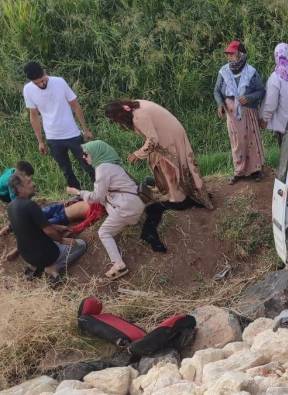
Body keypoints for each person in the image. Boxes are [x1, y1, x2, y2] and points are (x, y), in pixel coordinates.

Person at [104, 100, 213, 252]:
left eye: (116, 120)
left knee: (169, 168)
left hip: (167, 137)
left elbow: (153, 139)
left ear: (121, 113)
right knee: (166, 166)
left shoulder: (138, 116)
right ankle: (177, 193)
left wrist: (138, 154)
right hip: (168, 133)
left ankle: (177, 199)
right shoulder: (135, 106)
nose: (117, 123)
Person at [66, 140, 144, 280]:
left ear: (96, 153)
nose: (84, 157)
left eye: (86, 154)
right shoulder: (114, 166)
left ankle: (119, 264)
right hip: (135, 206)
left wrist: (78, 193)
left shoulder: (102, 169)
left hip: (125, 208)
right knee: (107, 208)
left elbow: (96, 196)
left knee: (104, 232)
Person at [22, 62, 95, 188]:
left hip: (73, 134)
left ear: (45, 72)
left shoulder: (59, 82)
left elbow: (75, 105)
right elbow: (33, 116)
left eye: (42, 80)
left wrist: (85, 129)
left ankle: (101, 191)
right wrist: (40, 141)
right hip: (53, 138)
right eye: (37, 83)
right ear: (31, 81)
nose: (41, 84)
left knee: (88, 165)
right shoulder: (28, 89)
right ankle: (77, 197)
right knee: (66, 171)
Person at [6, 172, 87, 284]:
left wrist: (58, 227)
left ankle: (34, 267)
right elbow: (49, 231)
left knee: (40, 243)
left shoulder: (10, 207)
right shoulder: (30, 205)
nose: (33, 184)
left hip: (27, 255)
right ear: (19, 188)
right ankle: (52, 268)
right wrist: (62, 240)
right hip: (47, 255)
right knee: (81, 245)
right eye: (29, 182)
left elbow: (31, 226)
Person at [213, 40, 266, 183]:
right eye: (228, 54)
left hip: (248, 111)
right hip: (232, 113)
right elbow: (217, 91)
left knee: (251, 140)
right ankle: (239, 171)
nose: (229, 57)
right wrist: (220, 105)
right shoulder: (224, 71)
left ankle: (255, 170)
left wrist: (249, 98)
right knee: (237, 142)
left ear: (240, 54)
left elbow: (261, 91)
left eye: (232, 54)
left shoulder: (251, 72)